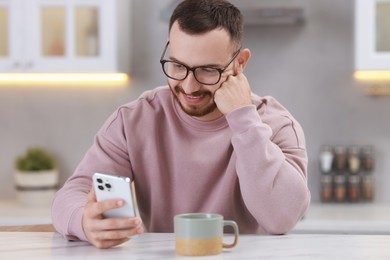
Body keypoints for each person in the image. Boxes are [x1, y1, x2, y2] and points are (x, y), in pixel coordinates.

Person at [52, 0, 310, 249]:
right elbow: (73, 193)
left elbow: (282, 219)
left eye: (208, 70)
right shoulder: (135, 120)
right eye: (178, 66)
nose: (189, 86)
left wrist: (243, 119)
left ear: (240, 63)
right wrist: (84, 221)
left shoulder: (275, 125)